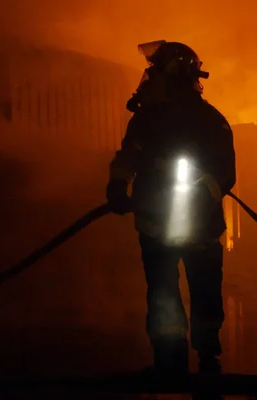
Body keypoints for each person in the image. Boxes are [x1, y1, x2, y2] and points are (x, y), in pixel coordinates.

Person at [106, 40, 236, 375]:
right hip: (156, 225)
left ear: (174, 74)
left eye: (156, 71)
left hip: (199, 227)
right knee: (163, 293)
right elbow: (128, 155)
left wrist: (200, 194)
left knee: (203, 294)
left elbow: (226, 173)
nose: (149, 78)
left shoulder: (210, 122)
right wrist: (118, 183)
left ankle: (207, 357)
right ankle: (170, 359)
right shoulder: (147, 119)